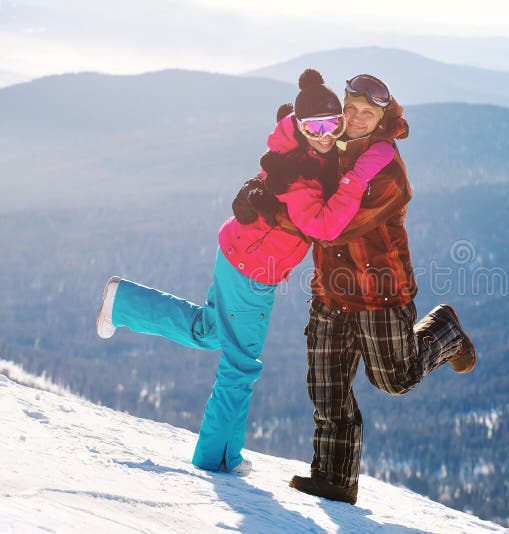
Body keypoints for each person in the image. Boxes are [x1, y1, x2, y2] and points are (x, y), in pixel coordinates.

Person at [94, 69, 395, 475]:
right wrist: (359, 175)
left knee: (208, 331)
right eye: (314, 126)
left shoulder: (303, 142)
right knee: (240, 365)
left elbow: (294, 127)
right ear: (302, 127)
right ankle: (216, 460)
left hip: (239, 252)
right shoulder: (300, 177)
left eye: (332, 123)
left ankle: (123, 303)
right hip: (253, 270)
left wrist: (302, 125)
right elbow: (324, 226)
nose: (326, 134)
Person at [282, 74, 478, 505]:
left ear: (380, 118)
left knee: (394, 378)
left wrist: (288, 198)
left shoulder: (387, 172)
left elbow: (331, 227)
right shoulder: (327, 148)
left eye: (366, 114)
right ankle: (334, 479)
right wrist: (265, 190)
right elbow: (295, 184)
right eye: (349, 109)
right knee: (326, 386)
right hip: (332, 292)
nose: (354, 119)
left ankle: (446, 330)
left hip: (379, 293)